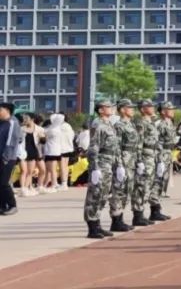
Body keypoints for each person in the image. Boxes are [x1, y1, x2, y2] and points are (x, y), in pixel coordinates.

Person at [83, 101, 121, 239]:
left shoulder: (109, 124)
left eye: (111, 106)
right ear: (100, 110)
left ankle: (97, 223)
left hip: (109, 162)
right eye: (107, 107)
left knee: (104, 194)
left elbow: (115, 147)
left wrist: (119, 164)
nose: (111, 109)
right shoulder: (97, 124)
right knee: (95, 194)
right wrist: (94, 167)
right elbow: (94, 147)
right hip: (101, 163)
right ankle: (92, 227)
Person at [108, 99, 139, 233]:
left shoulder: (130, 124)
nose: (132, 109)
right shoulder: (119, 126)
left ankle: (120, 218)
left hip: (131, 161)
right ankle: (116, 219)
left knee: (127, 190)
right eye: (129, 107)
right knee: (119, 191)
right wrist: (119, 165)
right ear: (122, 110)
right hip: (123, 161)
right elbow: (117, 147)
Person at [131, 100, 159, 226]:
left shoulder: (150, 122)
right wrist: (139, 160)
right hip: (145, 157)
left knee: (148, 186)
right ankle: (138, 215)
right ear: (142, 109)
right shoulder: (141, 123)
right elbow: (139, 143)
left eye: (152, 105)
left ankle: (142, 213)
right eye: (149, 106)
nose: (152, 107)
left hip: (152, 156)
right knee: (141, 186)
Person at [43, 112, 75, 192]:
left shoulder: (59, 127)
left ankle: (63, 183)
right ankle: (64, 183)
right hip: (68, 148)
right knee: (65, 166)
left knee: (62, 167)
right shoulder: (68, 126)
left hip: (61, 149)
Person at [1, 102, 21, 215]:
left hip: (7, 158)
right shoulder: (2, 123)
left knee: (4, 183)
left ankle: (12, 205)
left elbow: (11, 142)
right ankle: (3, 206)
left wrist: (6, 157)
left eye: (0, 110)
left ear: (7, 111)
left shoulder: (12, 122)